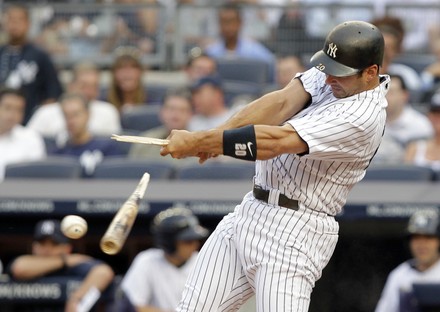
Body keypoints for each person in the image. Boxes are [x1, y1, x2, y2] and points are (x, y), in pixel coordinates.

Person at [160, 20, 389, 311]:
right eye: (329, 69)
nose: (330, 78)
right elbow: (280, 103)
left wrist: (202, 140)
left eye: (340, 74)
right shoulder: (335, 72)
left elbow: (276, 141)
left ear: (370, 72)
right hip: (251, 209)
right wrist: (214, 137)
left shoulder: (363, 116)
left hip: (296, 230)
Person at [8, 219, 115, 312]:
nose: (46, 249)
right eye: (42, 243)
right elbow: (19, 268)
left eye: (54, 244)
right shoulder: (28, 263)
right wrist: (64, 260)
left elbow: (104, 272)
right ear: (34, 247)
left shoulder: (72, 267)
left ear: (67, 248)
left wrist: (77, 298)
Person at [117, 207, 209, 312]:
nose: (195, 245)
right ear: (169, 243)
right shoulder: (147, 261)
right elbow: (134, 307)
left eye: (195, 240)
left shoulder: (205, 262)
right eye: (188, 241)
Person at [27, 61, 122, 145]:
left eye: (94, 86)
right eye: (84, 86)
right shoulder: (45, 112)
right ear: (71, 86)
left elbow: (114, 146)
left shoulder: (108, 111)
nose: (89, 92)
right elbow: (28, 142)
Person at [0, 3, 63, 124]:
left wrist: (39, 120)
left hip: (30, 122)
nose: (15, 24)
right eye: (11, 20)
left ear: (28, 24)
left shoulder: (40, 56)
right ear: (4, 23)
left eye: (20, 20)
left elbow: (53, 92)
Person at [375, 210, 440, 312]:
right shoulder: (399, 275)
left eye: (428, 237)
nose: (421, 244)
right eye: (416, 238)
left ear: (438, 241)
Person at [50, 93, 124, 177]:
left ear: (88, 114)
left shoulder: (108, 148)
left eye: (76, 115)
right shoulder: (58, 154)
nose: (71, 121)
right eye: (66, 116)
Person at [204, 3, 276, 83]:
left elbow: (271, 65)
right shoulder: (211, 52)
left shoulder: (254, 51)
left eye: (231, 21)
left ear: (240, 22)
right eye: (224, 21)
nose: (228, 26)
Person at [128, 87, 194, 162]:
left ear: (191, 115)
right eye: (171, 109)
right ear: (162, 112)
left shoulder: (201, 147)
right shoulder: (144, 143)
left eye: (182, 110)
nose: (176, 115)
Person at [0, 87, 46, 181]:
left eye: (19, 110)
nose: (13, 114)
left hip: (19, 193)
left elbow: (37, 176)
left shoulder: (31, 138)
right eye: (8, 108)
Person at [383, 74, 433, 147]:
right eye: (383, 92)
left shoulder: (421, 125)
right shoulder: (371, 122)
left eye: (391, 93)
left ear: (405, 95)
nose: (385, 97)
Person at [404, 89, 440, 171]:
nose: (438, 118)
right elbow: (405, 179)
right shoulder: (414, 148)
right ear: (429, 115)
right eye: (435, 113)